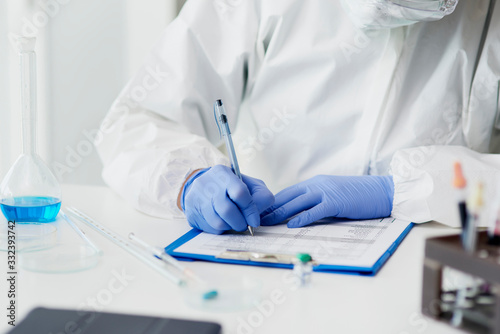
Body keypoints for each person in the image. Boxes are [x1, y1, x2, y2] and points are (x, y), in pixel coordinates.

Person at [96, 0, 500, 234]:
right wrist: (188, 180)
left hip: (437, 262)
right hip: (266, 255)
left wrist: (409, 190)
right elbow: (134, 121)